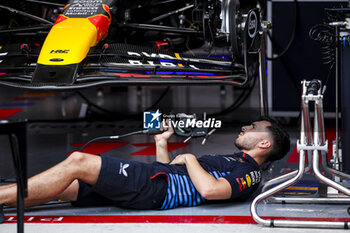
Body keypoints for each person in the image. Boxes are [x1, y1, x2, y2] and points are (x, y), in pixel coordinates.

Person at [0, 118, 290, 222]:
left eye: (252, 128)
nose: (244, 127)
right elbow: (172, 171)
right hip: (156, 182)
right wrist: (162, 143)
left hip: (154, 189)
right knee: (65, 187)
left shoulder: (249, 173)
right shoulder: (236, 162)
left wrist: (189, 159)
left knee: (79, 160)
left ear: (264, 143)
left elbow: (210, 190)